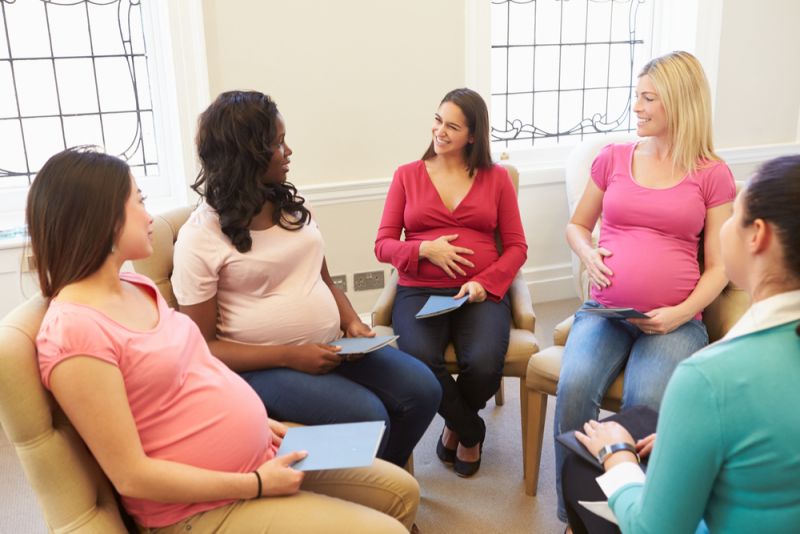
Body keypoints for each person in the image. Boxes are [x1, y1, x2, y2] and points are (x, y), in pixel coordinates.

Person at [29, 147, 419, 533]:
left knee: (403, 492)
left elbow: (196, 368)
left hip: (262, 452)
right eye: (139, 202)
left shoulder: (136, 285)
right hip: (199, 507)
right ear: (102, 219)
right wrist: (258, 484)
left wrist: (261, 421)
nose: (149, 216)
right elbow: (132, 477)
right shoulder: (75, 332)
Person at [172, 91, 440, 469]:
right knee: (369, 413)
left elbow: (325, 280)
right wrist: (290, 355)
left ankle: (384, 489)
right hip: (261, 369)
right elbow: (204, 349)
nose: (289, 151)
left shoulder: (293, 207)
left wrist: (351, 321)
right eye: (278, 143)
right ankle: (374, 503)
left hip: (331, 347)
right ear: (246, 155)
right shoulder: (200, 237)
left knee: (424, 389)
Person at [572, 154, 800, 533]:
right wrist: (691, 437)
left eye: (733, 217)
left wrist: (618, 457)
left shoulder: (709, 379)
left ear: (758, 235)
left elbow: (654, 529)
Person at [553, 50, 736, 519]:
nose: (636, 106)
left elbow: (720, 267)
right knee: (574, 386)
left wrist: (679, 313)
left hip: (674, 323)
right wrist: (589, 252)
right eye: (637, 96)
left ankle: (631, 517)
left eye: (648, 98)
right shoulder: (612, 158)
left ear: (679, 102)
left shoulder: (711, 174)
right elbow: (577, 226)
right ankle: (575, 518)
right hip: (605, 312)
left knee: (644, 404)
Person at [374, 88, 527, 477]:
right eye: (438, 120)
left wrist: (484, 283)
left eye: (452, 126)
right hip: (420, 288)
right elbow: (383, 244)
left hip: (479, 293)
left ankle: (456, 423)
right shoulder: (407, 175)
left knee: (484, 363)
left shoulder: (497, 179)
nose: (440, 131)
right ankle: (471, 430)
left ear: (472, 136)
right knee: (420, 360)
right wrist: (424, 250)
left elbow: (516, 247)